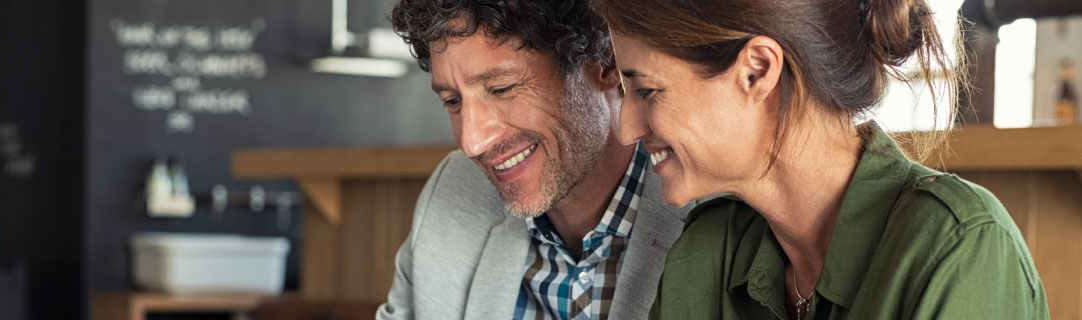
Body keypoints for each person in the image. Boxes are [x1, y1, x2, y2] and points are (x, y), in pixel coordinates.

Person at [592, 0, 1050, 318]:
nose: (627, 128)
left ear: (757, 71)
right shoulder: (706, 254)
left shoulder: (958, 249)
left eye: (647, 91)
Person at [376, 0, 692, 319]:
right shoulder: (454, 193)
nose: (472, 142)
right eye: (453, 101)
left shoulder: (713, 215)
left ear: (608, 62)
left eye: (502, 89)